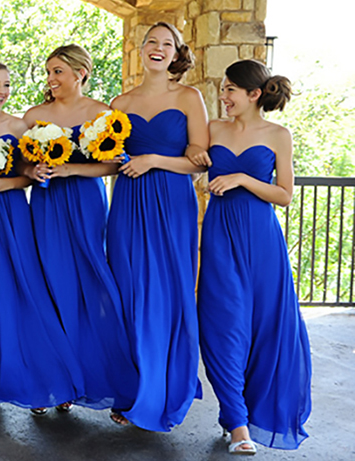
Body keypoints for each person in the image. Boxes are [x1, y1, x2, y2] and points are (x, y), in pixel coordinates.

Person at [0, 61, 85, 414]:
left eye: (7, 85)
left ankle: (48, 380)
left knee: (28, 291)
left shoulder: (19, 125)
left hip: (13, 213)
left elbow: (32, 172)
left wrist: (8, 183)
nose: (3, 91)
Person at [196, 59, 311, 454]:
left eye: (230, 89)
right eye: (223, 89)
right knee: (223, 323)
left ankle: (242, 412)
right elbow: (193, 162)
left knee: (264, 328)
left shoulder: (279, 135)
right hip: (220, 237)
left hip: (262, 241)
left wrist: (243, 178)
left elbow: (284, 194)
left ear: (254, 94)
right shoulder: (213, 129)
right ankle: (237, 425)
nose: (223, 96)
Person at [19, 46, 137, 413]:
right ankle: (54, 383)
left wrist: (72, 169)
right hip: (47, 203)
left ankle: (106, 376)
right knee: (51, 283)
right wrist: (32, 170)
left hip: (86, 202)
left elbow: (114, 165)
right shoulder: (34, 115)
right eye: (49, 72)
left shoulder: (102, 113)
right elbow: (20, 162)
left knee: (92, 283)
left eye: (57, 71)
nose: (51, 79)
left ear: (80, 73)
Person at [107, 22, 208, 431]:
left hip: (171, 203)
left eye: (168, 44)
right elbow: (110, 156)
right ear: (141, 48)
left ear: (176, 54)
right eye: (152, 41)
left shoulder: (189, 97)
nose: (158, 48)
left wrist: (152, 160)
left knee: (168, 292)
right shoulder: (120, 102)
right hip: (128, 203)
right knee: (128, 291)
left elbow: (198, 159)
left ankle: (164, 390)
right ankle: (132, 390)